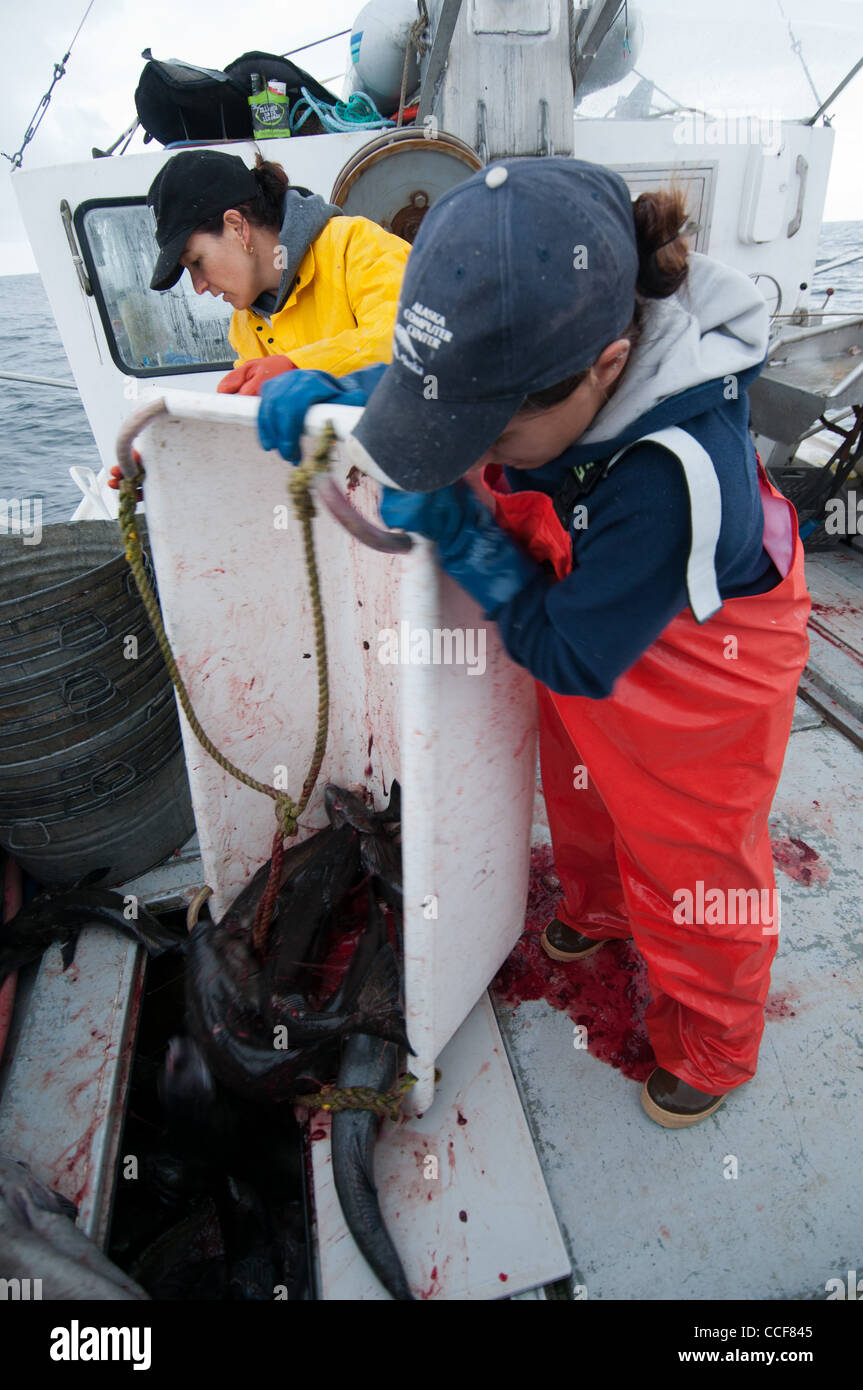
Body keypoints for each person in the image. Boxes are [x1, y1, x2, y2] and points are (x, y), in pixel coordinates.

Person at [255, 157, 811, 1129]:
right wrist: (345, 386)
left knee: (692, 857)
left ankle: (715, 1038)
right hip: (593, 597)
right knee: (580, 778)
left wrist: (468, 542)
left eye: (489, 428)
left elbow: (566, 655)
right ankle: (594, 907)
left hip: (703, 661)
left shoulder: (672, 478)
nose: (467, 444)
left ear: (605, 364)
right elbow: (455, 381)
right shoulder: (549, 354)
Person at [146, 148, 410, 393]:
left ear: (237, 227)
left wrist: (296, 367)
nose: (199, 286)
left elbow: (405, 340)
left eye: (196, 262)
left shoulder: (355, 245)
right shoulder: (245, 325)